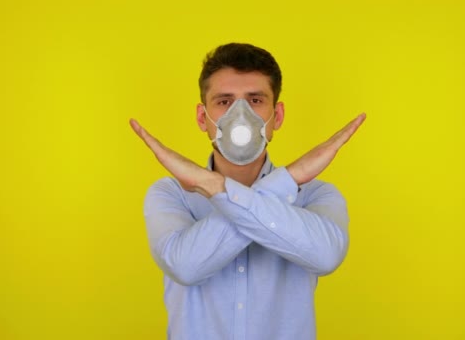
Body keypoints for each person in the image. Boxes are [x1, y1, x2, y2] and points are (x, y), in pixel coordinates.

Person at [129, 43, 366, 340]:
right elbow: (186, 266)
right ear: (203, 118)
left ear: (276, 116)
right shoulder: (171, 195)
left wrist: (216, 189)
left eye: (255, 100)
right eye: (224, 102)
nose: (240, 115)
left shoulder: (316, 195)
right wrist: (287, 180)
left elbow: (327, 256)